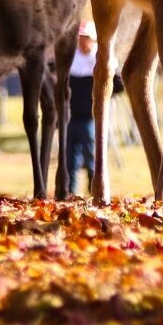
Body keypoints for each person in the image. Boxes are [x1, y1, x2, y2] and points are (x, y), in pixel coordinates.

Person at [64, 23, 99, 197]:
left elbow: (118, 85)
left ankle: (93, 191)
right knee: (70, 159)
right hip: (71, 118)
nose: (82, 41)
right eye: (80, 38)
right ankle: (71, 193)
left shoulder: (99, 59)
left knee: (91, 157)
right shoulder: (71, 59)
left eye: (85, 38)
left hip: (90, 119)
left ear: (92, 40)